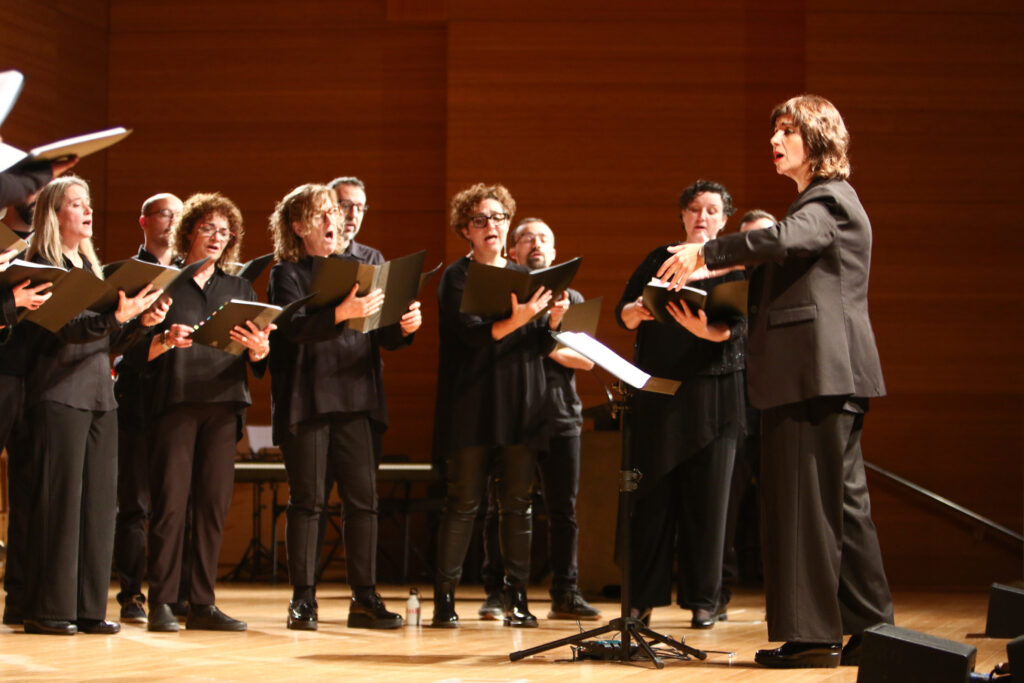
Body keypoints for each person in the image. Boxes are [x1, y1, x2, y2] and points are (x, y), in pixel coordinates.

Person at [656, 94, 893, 668]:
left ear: (817, 137)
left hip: (811, 374)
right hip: (827, 374)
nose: (774, 140)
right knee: (843, 507)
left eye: (787, 129)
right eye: (775, 130)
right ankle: (872, 631)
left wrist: (707, 253)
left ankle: (812, 638)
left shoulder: (827, 199)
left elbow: (784, 240)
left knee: (802, 505)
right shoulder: (829, 200)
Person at [267, 182, 421, 631]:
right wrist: (339, 313)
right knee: (308, 502)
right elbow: (291, 329)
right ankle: (303, 600)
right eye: (320, 214)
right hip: (307, 399)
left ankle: (364, 598)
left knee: (363, 502)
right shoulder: (286, 273)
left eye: (333, 212)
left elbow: (383, 333)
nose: (331, 221)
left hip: (358, 396)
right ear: (299, 226)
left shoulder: (368, 263)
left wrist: (405, 326)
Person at [18, 175, 164, 635]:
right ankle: (48, 609)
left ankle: (87, 608)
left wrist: (140, 321)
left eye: (88, 203)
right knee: (60, 505)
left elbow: (107, 340)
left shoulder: (89, 266)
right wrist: (116, 316)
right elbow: (64, 331)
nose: (88, 210)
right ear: (54, 213)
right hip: (57, 393)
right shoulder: (41, 265)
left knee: (99, 508)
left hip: (101, 395)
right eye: (77, 203)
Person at [431, 183, 568, 629]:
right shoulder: (456, 276)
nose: (491, 225)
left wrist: (552, 321)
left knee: (517, 504)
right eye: (480, 220)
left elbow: (540, 342)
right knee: (464, 502)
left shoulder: (524, 275)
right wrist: (519, 318)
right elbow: (469, 335)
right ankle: (444, 600)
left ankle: (518, 599)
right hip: (471, 400)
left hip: (521, 398)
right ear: (465, 230)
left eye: (498, 217)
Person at [615, 179, 747, 630]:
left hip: (715, 396)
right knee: (649, 501)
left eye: (711, 210)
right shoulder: (659, 257)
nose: (701, 217)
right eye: (694, 209)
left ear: (724, 219)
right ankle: (640, 601)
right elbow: (623, 312)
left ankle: (704, 601)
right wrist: (635, 312)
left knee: (708, 503)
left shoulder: (734, 264)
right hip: (658, 393)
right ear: (683, 215)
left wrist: (703, 330)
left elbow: (739, 327)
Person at [144, 192, 274, 633]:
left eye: (225, 231)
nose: (218, 237)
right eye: (208, 229)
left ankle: (202, 603)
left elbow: (257, 357)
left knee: (212, 507)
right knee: (170, 505)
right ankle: (163, 601)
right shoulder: (165, 283)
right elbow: (136, 352)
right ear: (188, 233)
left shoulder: (240, 289)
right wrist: (164, 340)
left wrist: (260, 349)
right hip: (176, 403)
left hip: (223, 404)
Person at [477, 218, 600, 622]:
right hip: (512, 415)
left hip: (561, 414)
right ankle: (499, 592)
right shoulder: (504, 294)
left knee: (564, 510)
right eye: (527, 237)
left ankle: (566, 591)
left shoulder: (571, 297)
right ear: (512, 251)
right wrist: (539, 336)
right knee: (503, 507)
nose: (536, 243)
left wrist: (535, 340)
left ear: (554, 252)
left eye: (544, 238)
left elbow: (586, 359)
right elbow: (490, 346)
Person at [112, 193, 187, 623]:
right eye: (165, 213)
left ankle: (173, 593)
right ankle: (130, 595)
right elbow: (114, 343)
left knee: (174, 502)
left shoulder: (191, 275)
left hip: (177, 397)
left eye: (180, 215)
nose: (173, 220)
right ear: (144, 221)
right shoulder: (126, 275)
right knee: (135, 504)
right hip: (137, 396)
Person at [720, 210, 776, 601]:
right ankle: (718, 591)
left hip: (776, 407)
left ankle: (783, 590)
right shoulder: (728, 284)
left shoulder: (788, 284)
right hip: (735, 407)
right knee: (726, 504)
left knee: (780, 504)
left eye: (762, 239)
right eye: (747, 241)